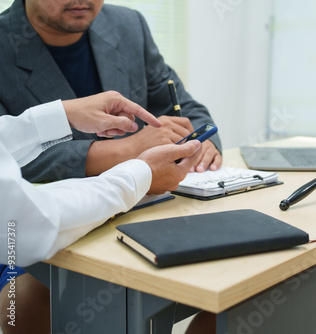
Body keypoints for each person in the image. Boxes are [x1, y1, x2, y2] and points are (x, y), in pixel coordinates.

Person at [0, 91, 202, 334]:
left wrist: (60, 115)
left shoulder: (136, 51)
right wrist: (137, 173)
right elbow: (28, 222)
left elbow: (189, 109)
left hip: (118, 215)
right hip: (35, 243)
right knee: (26, 305)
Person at [0, 0, 222, 183]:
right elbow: (8, 155)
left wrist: (203, 143)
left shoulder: (128, 25)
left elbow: (183, 107)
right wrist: (129, 148)